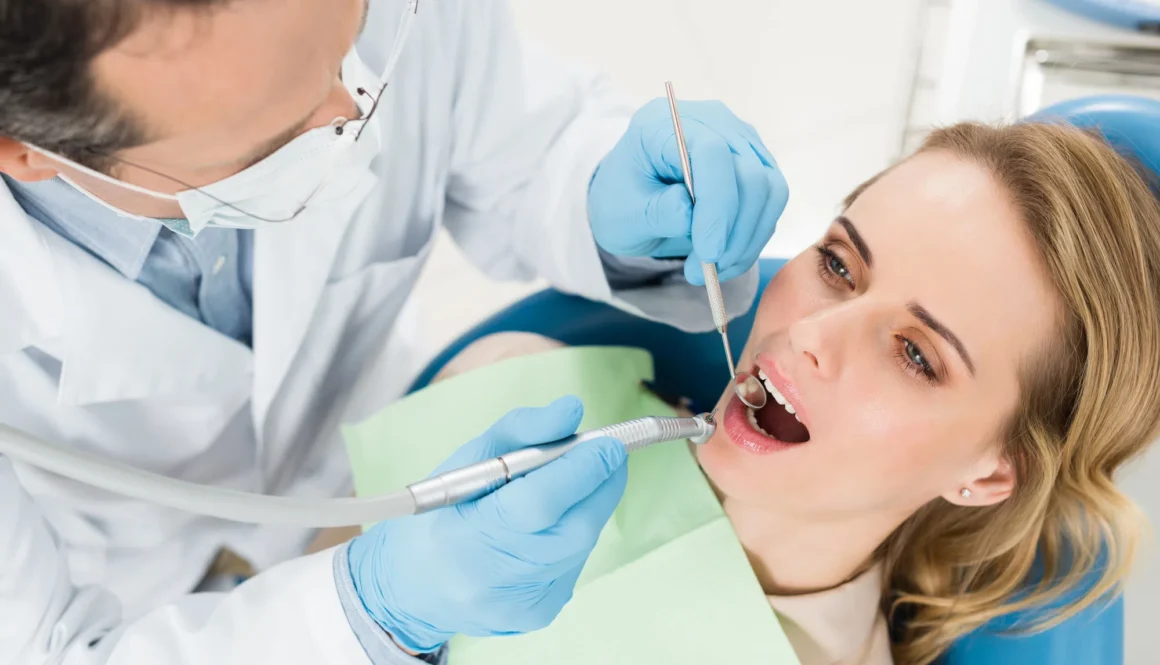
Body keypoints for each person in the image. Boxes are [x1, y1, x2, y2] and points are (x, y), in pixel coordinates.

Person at [0, 1, 790, 663]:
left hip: (376, 438)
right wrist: (370, 608)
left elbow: (524, 145)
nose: (354, 114)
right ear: (26, 153)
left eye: (351, 42)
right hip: (115, 566)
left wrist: (610, 197)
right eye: (273, 144)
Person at [399, 121, 1160, 665]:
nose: (810, 338)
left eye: (915, 354)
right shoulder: (510, 398)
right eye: (838, 267)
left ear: (990, 473)